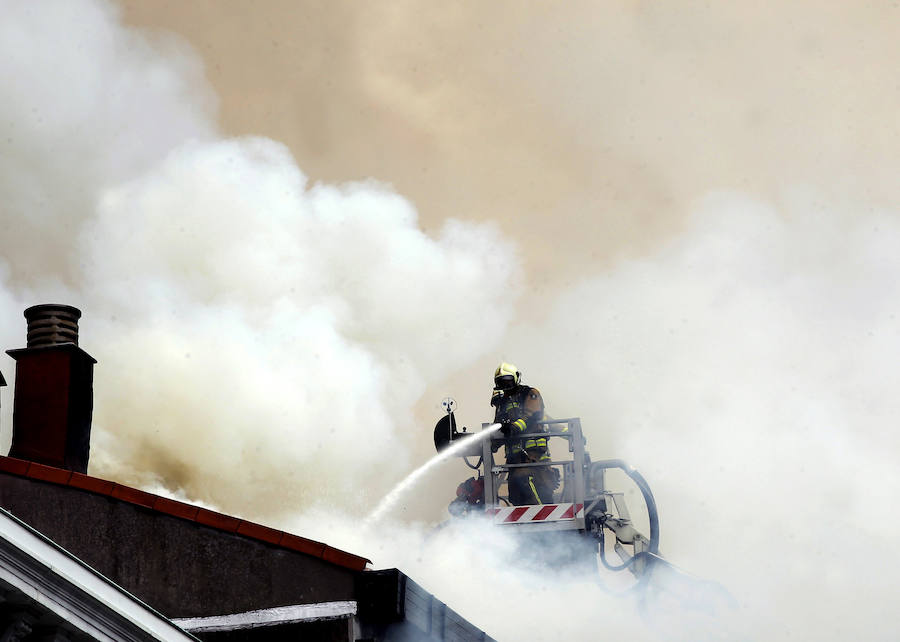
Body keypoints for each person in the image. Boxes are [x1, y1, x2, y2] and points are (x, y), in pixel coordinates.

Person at [491, 362, 557, 505]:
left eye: (508, 381)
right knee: (515, 496)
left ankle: (544, 518)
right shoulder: (502, 404)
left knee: (529, 485)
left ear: (516, 378)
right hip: (514, 460)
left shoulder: (530, 394)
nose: (505, 386)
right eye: (501, 382)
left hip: (534, 456)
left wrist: (514, 427)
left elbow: (531, 414)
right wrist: (493, 442)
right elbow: (499, 428)